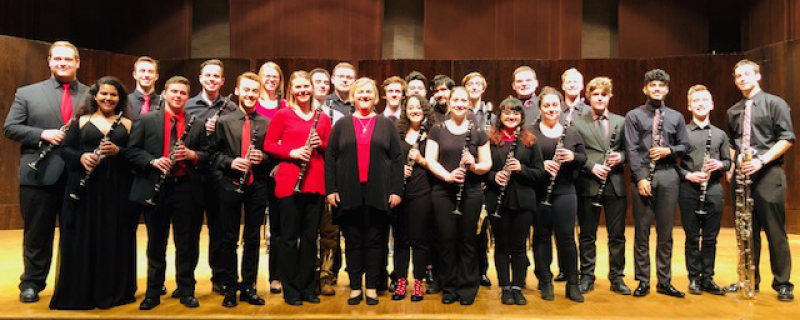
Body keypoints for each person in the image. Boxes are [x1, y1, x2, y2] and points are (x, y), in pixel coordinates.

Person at [4, 41, 90, 303]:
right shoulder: (27, 93)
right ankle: (31, 282)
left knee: (74, 232)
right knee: (37, 233)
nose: (63, 63)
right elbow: (11, 127)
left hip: (77, 173)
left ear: (77, 62)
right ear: (49, 62)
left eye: (68, 59)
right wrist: (42, 133)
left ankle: (71, 283)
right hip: (38, 174)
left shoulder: (92, 95)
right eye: (57, 59)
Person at [49, 76, 135, 310]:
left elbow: (136, 155)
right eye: (104, 94)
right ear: (95, 96)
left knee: (112, 236)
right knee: (81, 236)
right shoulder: (81, 121)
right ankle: (80, 292)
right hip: (83, 187)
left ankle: (112, 291)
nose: (108, 98)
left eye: (113, 95)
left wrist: (119, 151)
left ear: (120, 99)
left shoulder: (127, 124)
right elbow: (65, 149)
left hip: (117, 187)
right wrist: (81, 157)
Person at [127, 76, 210, 310]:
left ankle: (186, 290)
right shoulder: (145, 120)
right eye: (174, 91)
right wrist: (152, 161)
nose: (178, 96)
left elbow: (208, 155)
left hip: (186, 188)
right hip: (157, 187)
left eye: (183, 93)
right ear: (164, 93)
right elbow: (132, 152)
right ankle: (153, 291)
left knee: (187, 243)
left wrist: (193, 155)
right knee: (156, 243)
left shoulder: (197, 123)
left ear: (187, 96)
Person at [325, 77, 403, 306]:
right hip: (349, 192)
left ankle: (371, 286)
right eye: (360, 92)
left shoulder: (386, 124)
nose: (364, 96)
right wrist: (331, 189)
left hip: (378, 192)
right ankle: (355, 286)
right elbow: (330, 158)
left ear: (376, 96)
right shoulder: (342, 124)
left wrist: (396, 190)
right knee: (353, 241)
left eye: (369, 92)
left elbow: (397, 159)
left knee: (375, 241)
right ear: (353, 96)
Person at [727, 59, 794, 301]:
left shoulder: (776, 104)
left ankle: (783, 283)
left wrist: (761, 161)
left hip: (768, 173)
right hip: (743, 177)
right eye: (738, 76)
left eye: (747, 74)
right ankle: (748, 280)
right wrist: (732, 167)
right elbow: (734, 144)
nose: (742, 78)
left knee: (775, 231)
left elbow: (787, 139)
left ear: (758, 76)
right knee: (746, 232)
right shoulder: (733, 111)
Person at [265, 71, 332, 305]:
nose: (303, 91)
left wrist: (320, 144)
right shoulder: (282, 115)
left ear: (312, 89)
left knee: (310, 237)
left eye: (307, 86)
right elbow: (268, 144)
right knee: (289, 238)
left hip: (315, 182)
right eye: (298, 87)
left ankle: (307, 287)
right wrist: (291, 152)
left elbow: (329, 149)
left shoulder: (322, 118)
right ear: (291, 90)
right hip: (288, 182)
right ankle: (290, 289)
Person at [624, 69, 689, 298]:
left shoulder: (676, 117)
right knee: (642, 231)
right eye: (653, 86)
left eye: (661, 86)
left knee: (665, 232)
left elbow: (684, 145)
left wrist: (668, 150)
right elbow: (631, 149)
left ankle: (664, 280)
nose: (657, 89)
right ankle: (642, 280)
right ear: (645, 88)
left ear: (667, 89)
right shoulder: (633, 116)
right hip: (643, 176)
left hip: (668, 175)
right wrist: (640, 177)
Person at [425, 86, 492, 305]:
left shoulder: (478, 132)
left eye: (464, 100)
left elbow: (487, 164)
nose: (460, 104)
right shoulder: (437, 129)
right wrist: (448, 177)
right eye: (456, 100)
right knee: (446, 240)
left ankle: (467, 286)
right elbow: (430, 160)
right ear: (450, 102)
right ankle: (449, 285)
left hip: (471, 193)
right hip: (443, 192)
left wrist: (473, 166)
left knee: (468, 241)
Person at [212, 72, 270, 307]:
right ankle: (230, 288)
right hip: (230, 183)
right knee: (228, 238)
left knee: (253, 238)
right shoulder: (224, 122)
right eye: (245, 89)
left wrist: (263, 157)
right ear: (237, 91)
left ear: (259, 93)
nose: (250, 94)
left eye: (254, 90)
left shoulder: (266, 123)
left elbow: (273, 157)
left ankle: (248, 286)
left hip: (257, 185)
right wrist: (230, 162)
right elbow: (213, 155)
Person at [485, 97, 546, 305]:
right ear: (500, 117)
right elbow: (483, 170)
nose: (511, 117)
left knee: (519, 247)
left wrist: (522, 169)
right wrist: (495, 177)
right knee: (502, 246)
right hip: (497, 201)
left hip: (523, 201)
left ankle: (518, 286)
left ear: (521, 117)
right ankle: (505, 287)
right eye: (507, 113)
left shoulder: (530, 141)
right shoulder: (490, 140)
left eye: (516, 114)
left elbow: (540, 173)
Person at [184, 59, 237, 297]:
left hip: (218, 174)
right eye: (208, 75)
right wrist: (203, 129)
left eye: (217, 76)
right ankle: (187, 282)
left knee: (219, 229)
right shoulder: (187, 106)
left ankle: (220, 277)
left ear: (223, 81)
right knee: (190, 230)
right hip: (193, 174)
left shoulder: (232, 108)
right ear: (200, 78)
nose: (212, 79)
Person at [572, 77, 630, 295]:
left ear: (610, 96)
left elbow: (629, 150)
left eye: (603, 94)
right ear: (588, 97)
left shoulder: (621, 122)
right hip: (588, 183)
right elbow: (575, 153)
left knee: (617, 235)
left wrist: (621, 157)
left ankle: (617, 277)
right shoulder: (577, 121)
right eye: (595, 94)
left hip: (615, 184)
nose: (599, 98)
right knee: (587, 234)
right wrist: (590, 166)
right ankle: (586, 276)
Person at [531, 87, 586, 302]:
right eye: (547, 105)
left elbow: (584, 158)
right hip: (539, 191)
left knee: (566, 238)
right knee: (541, 237)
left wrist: (572, 155)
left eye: (555, 105)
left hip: (565, 191)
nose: (551, 109)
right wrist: (540, 165)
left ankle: (573, 283)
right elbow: (524, 160)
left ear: (561, 107)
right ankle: (545, 280)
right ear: (540, 107)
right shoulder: (531, 131)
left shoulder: (571, 131)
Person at [677, 85, 730, 296]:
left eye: (704, 100)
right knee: (692, 237)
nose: (700, 104)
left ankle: (707, 277)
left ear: (712, 104)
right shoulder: (682, 133)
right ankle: (694, 278)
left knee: (710, 238)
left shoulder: (719, 134)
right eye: (696, 100)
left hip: (714, 189)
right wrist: (688, 175)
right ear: (689, 105)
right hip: (689, 189)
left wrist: (720, 165)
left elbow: (727, 161)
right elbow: (673, 163)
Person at [392, 94, 437, 301]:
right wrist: (399, 170)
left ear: (425, 110)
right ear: (405, 111)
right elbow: (388, 160)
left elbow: (437, 163)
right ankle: (401, 282)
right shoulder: (397, 133)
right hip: (400, 192)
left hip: (422, 191)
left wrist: (420, 159)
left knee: (420, 239)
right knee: (401, 239)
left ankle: (418, 282)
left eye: (419, 107)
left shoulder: (432, 134)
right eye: (411, 107)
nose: (415, 110)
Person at [310, 67, 343, 296]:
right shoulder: (296, 112)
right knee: (307, 232)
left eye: (324, 82)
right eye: (317, 82)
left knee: (330, 233)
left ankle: (326, 276)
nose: (322, 85)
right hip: (306, 182)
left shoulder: (338, 117)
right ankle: (307, 274)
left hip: (330, 181)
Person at [256, 61, 285, 294]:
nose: (271, 79)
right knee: (252, 230)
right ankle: (248, 278)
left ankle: (277, 276)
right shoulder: (249, 102)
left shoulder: (284, 105)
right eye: (267, 75)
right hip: (254, 173)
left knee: (279, 227)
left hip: (278, 172)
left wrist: (281, 164)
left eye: (275, 76)